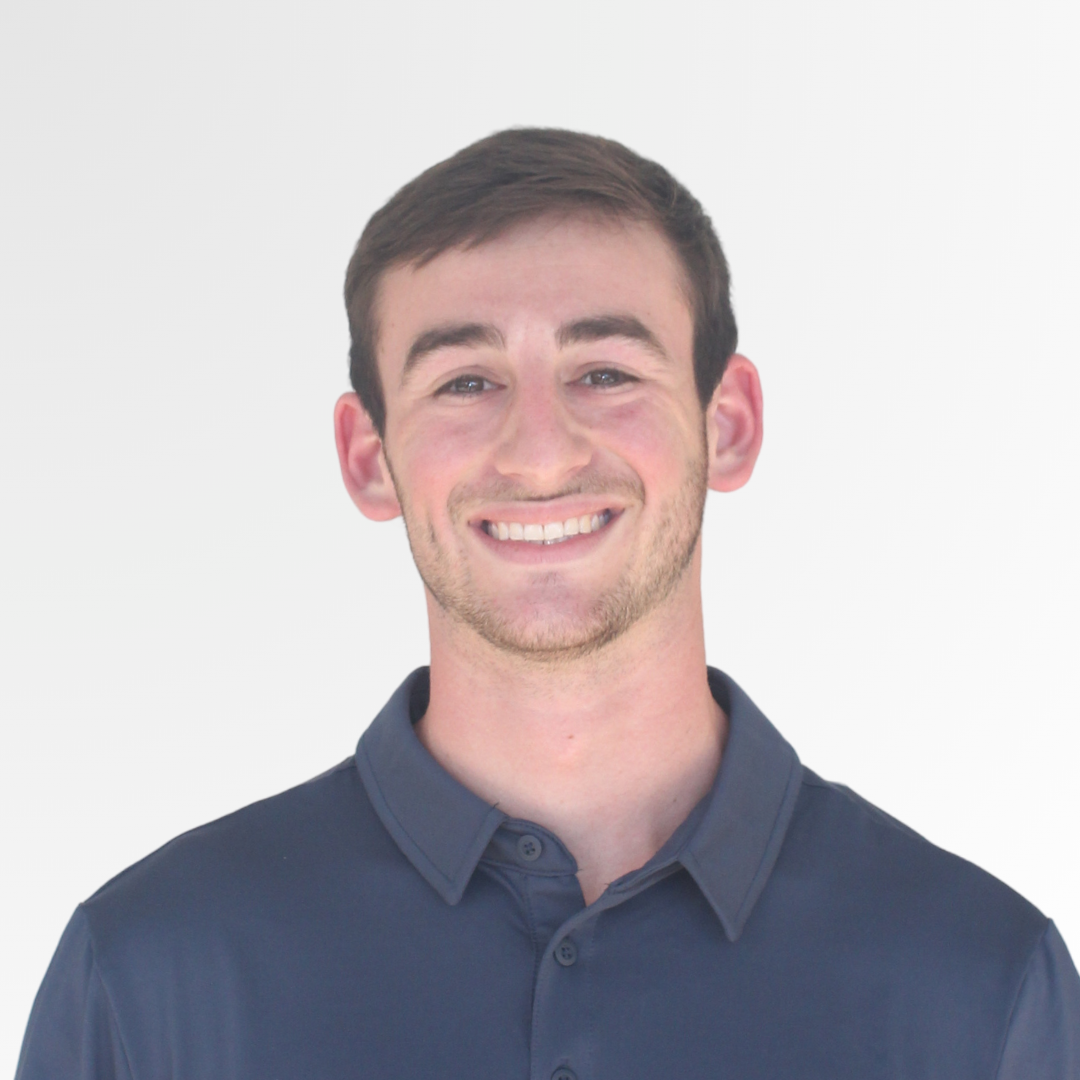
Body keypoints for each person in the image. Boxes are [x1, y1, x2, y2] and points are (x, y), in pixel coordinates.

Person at [16, 128, 1080, 1079]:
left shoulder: (979, 982)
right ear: (368, 458)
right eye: (465, 381)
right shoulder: (151, 973)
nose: (538, 451)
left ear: (730, 425)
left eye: (605, 371)